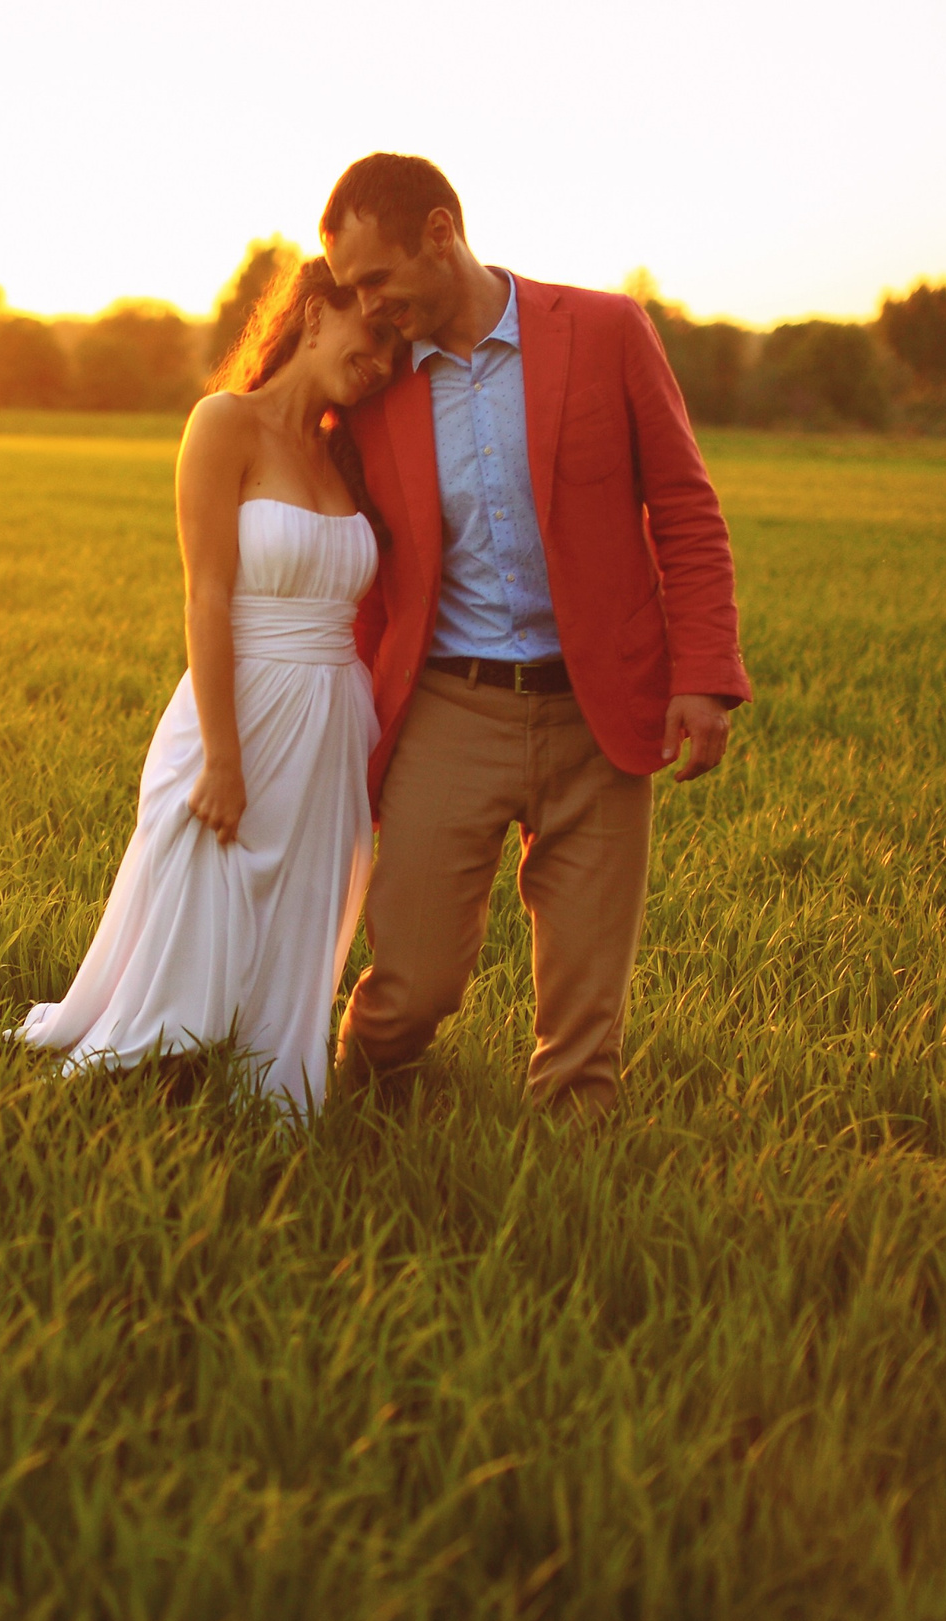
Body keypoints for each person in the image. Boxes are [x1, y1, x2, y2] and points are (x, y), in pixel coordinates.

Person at [319, 153, 753, 1113]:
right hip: (450, 708)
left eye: (377, 278)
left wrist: (703, 674)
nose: (368, 305)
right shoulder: (376, 384)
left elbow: (686, 507)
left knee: (584, 1045)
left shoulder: (606, 331)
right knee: (410, 989)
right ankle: (359, 1102)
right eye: (352, 289)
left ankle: (574, 1172)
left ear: (441, 233)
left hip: (599, 712)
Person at [12, 259, 399, 1116]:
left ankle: (260, 1084)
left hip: (334, 721)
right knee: (198, 902)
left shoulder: (349, 451)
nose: (380, 361)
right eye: (373, 333)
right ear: (314, 314)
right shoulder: (225, 422)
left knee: (299, 914)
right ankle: (152, 1073)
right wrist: (223, 758)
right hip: (240, 709)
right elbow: (207, 596)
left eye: (394, 350)